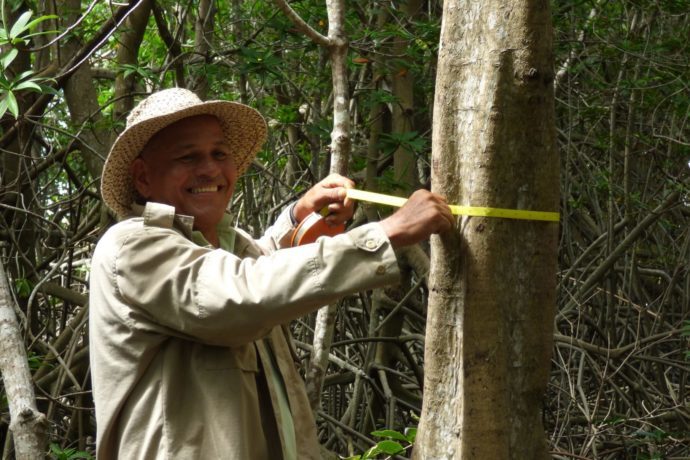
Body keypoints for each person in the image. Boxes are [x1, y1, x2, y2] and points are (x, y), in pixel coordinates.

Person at [89, 87, 453, 460]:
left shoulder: (227, 247)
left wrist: (299, 216)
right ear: (143, 177)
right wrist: (385, 235)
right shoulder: (133, 246)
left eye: (219, 153)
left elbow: (254, 264)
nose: (210, 169)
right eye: (188, 157)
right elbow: (240, 294)